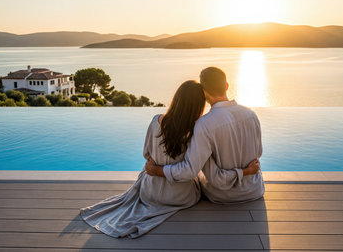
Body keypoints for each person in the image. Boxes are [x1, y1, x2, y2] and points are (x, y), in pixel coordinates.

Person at [80, 80, 259, 238]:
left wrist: (157, 168)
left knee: (147, 171)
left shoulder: (156, 121)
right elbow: (191, 170)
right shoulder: (196, 130)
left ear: (177, 99)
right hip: (183, 197)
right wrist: (245, 171)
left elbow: (146, 154)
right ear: (198, 105)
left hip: (150, 192)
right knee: (197, 176)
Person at [146, 67, 265, 203]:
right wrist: (246, 172)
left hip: (222, 195)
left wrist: (157, 170)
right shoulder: (252, 115)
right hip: (255, 190)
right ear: (226, 86)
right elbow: (258, 154)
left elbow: (198, 172)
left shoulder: (204, 124)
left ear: (204, 92)